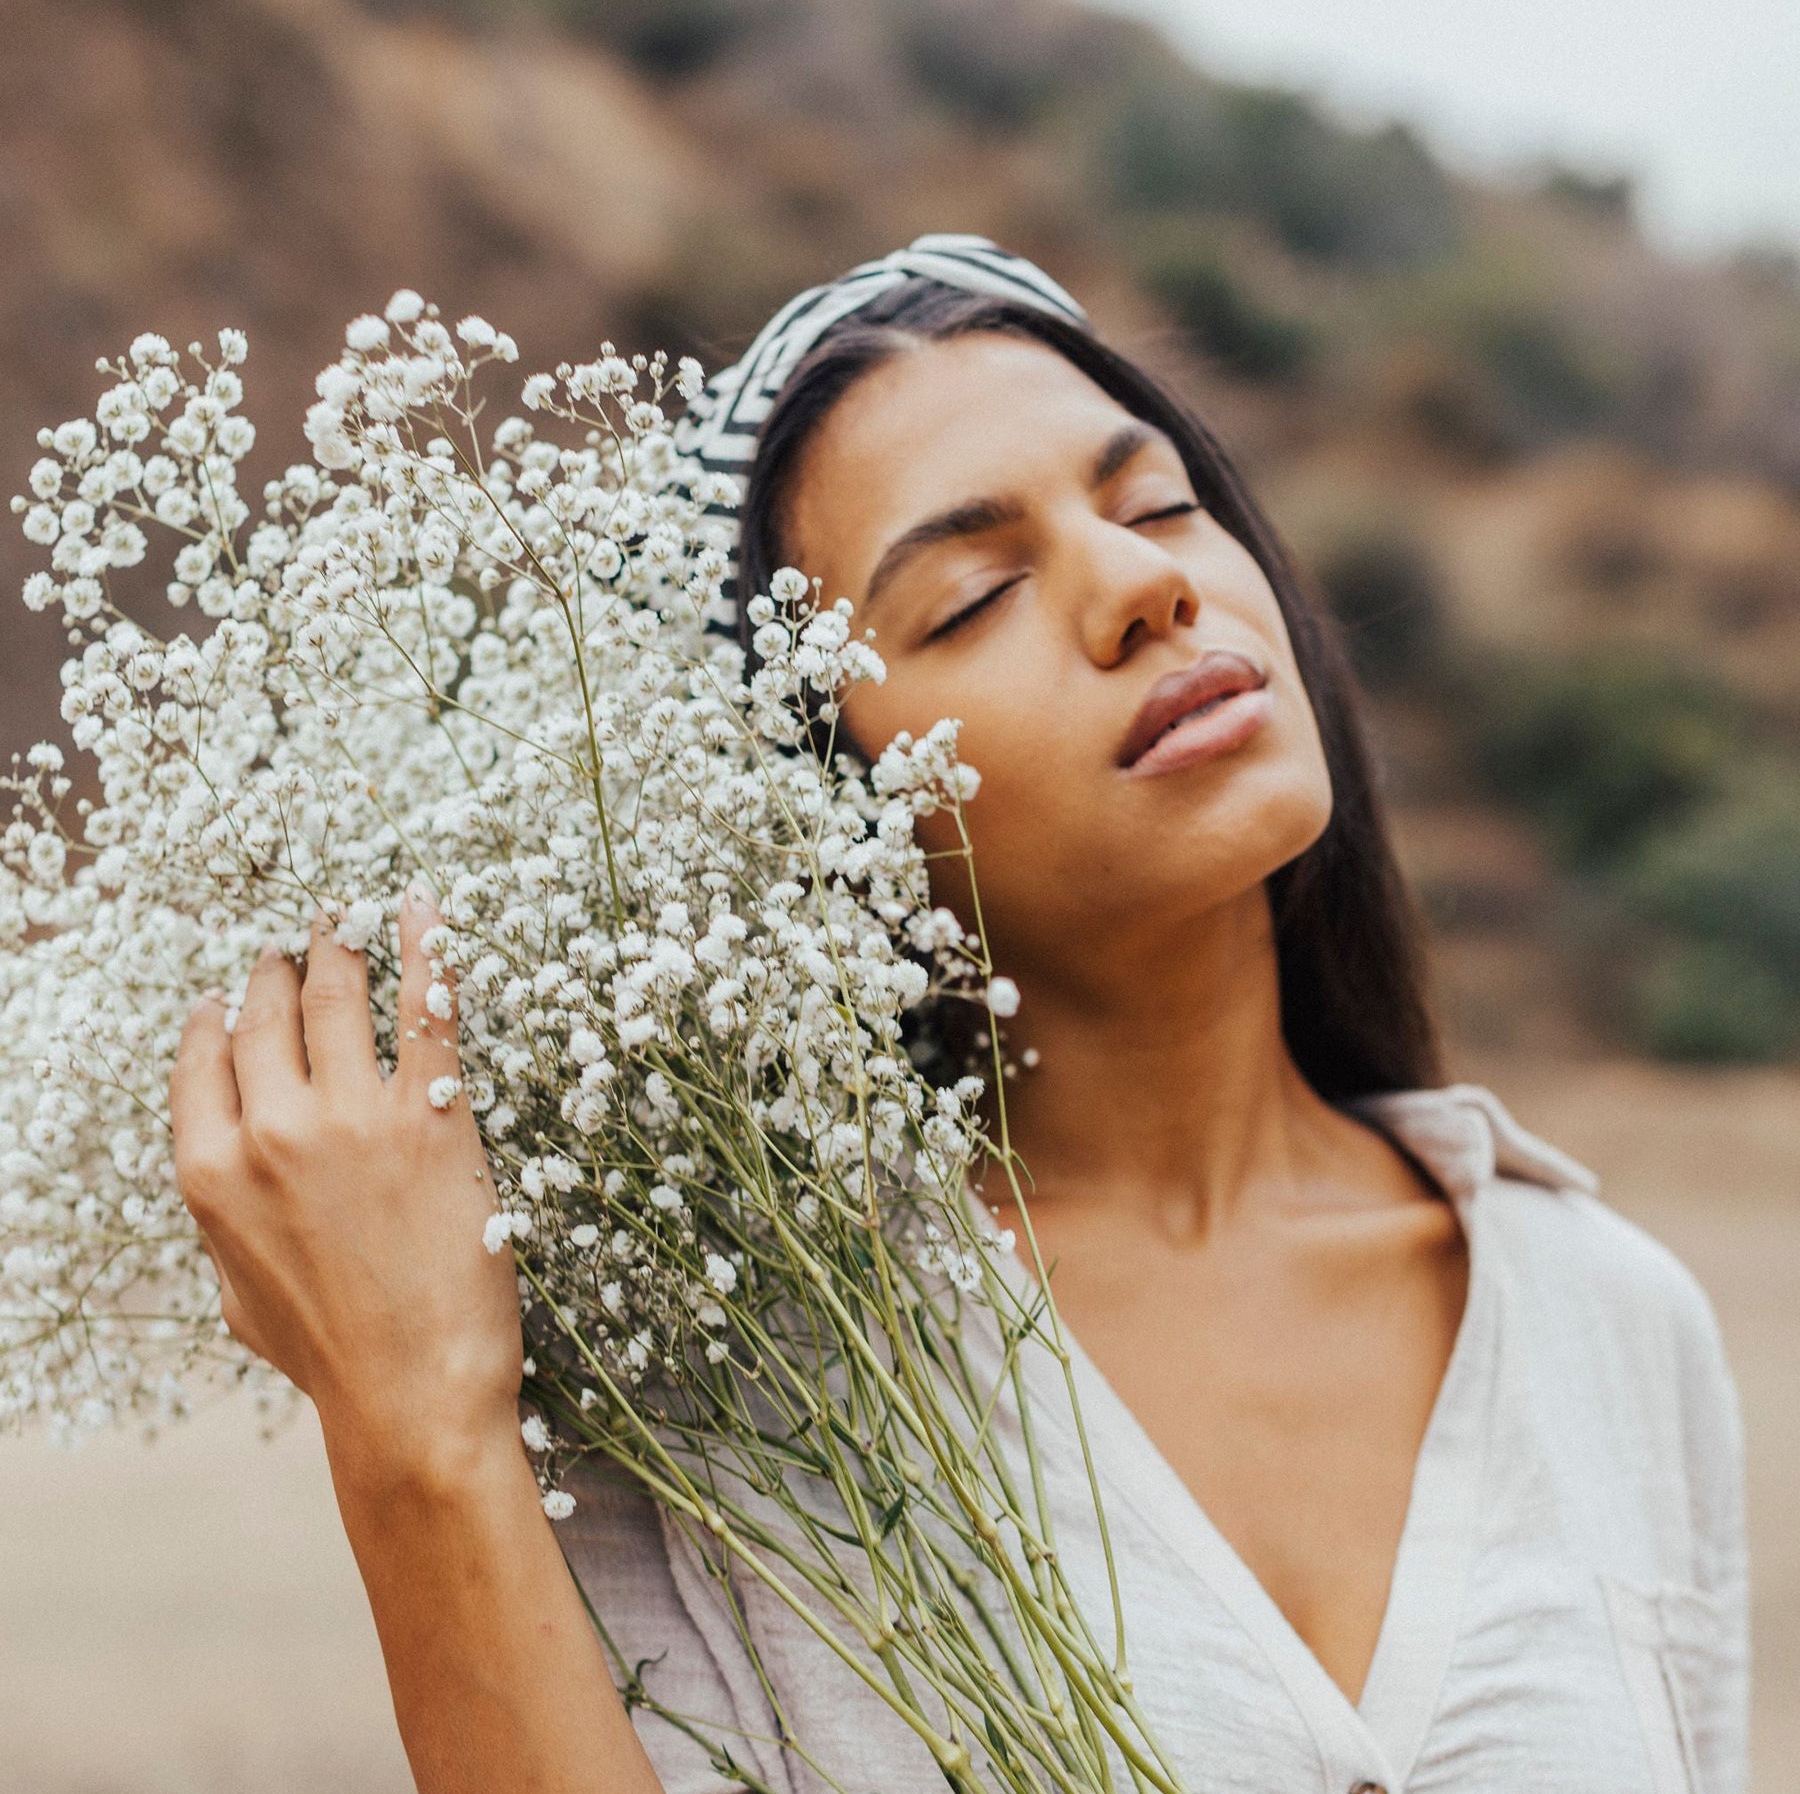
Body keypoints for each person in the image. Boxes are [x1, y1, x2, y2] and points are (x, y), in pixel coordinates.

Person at [169, 237, 1749, 1794]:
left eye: (1159, 504)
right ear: (806, 809)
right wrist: (419, 1444)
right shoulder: (727, 1403)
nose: (1146, 586)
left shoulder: (1610, 1322)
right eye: (974, 594)